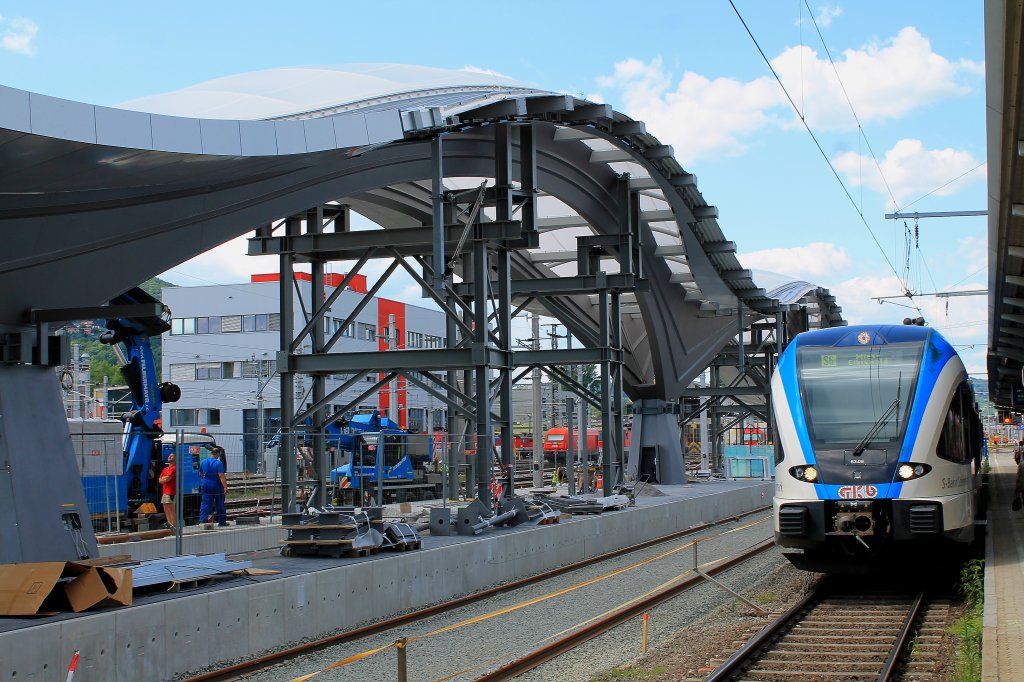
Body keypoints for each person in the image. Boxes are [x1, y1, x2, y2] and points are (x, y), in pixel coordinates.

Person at [199, 446, 228, 526]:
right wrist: (225, 487)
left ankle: (203, 521)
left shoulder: (203, 462)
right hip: (216, 484)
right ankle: (222, 522)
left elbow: (201, 473)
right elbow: (221, 475)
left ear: (211, 453)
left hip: (206, 484)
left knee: (205, 503)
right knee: (220, 503)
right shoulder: (218, 463)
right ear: (217, 454)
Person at [157, 452, 177, 529]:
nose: (169, 457)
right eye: (169, 456)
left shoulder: (174, 468)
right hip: (165, 491)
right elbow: (160, 480)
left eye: (172, 456)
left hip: (171, 492)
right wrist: (164, 479)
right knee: (166, 508)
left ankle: (174, 525)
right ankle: (169, 523)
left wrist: (164, 479)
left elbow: (167, 479)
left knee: (171, 509)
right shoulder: (165, 469)